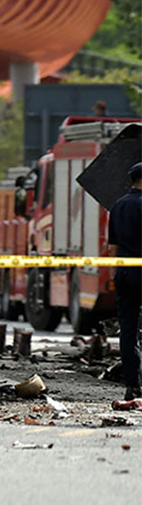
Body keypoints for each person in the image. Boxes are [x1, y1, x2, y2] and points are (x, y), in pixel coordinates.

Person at [108, 162, 142, 407]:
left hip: (125, 274)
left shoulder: (118, 205)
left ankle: (132, 386)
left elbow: (112, 248)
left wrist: (115, 274)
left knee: (128, 331)